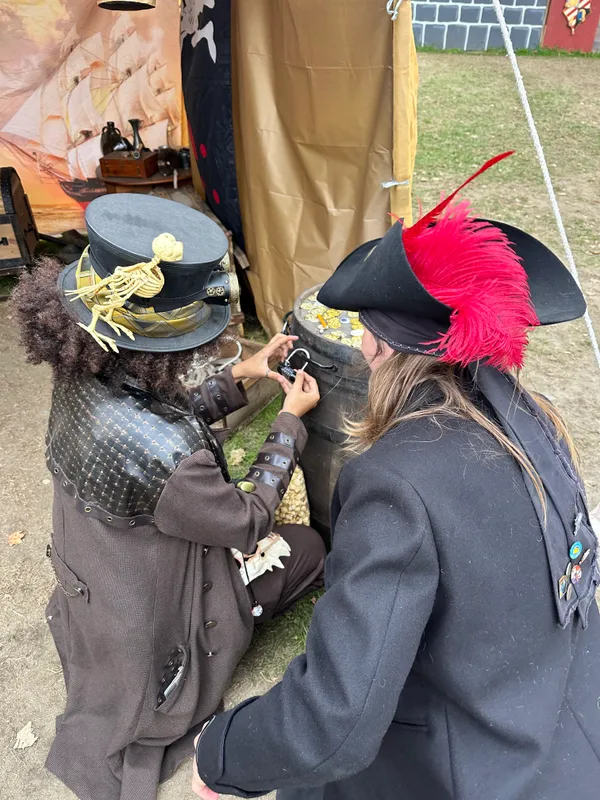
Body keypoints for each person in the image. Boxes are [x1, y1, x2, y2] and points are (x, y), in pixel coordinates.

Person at [192, 153, 600, 800]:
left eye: (368, 334)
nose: (360, 348)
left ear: (383, 350)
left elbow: (332, 722)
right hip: (562, 734)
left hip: (469, 775)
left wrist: (218, 755)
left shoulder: (396, 484)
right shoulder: (538, 421)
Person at [12, 193, 325, 800]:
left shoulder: (82, 370)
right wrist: (288, 420)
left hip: (95, 580)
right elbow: (247, 521)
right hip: (156, 610)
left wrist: (245, 373)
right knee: (309, 549)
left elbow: (160, 417)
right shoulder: (170, 455)